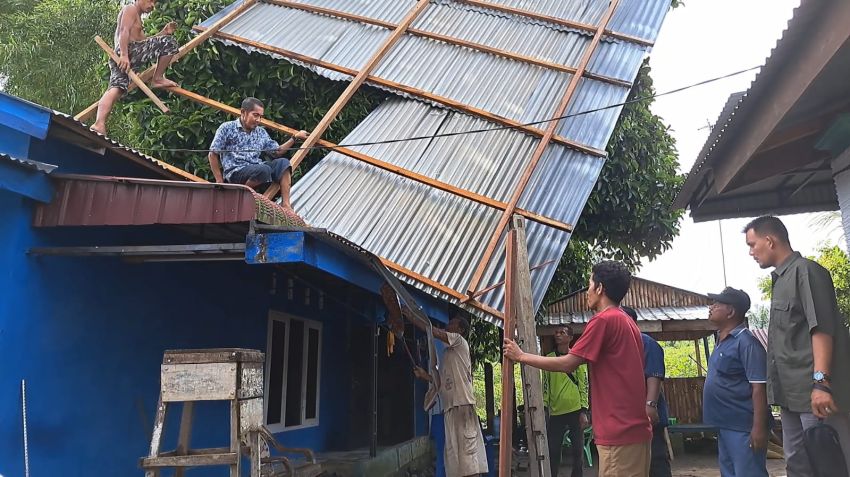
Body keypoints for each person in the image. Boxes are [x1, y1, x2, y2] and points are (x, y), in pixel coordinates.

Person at [505, 261, 652, 477]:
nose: (587, 291)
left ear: (600, 288)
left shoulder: (604, 320)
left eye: (590, 284)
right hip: (635, 431)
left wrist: (521, 356)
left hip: (619, 433)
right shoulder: (627, 321)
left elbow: (568, 363)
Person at [743, 216, 850, 475]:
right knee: (798, 464)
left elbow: (821, 329)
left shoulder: (806, 271)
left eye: (752, 244)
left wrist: (821, 383)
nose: (750, 252)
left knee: (829, 463)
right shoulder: (781, 279)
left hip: (814, 394)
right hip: (789, 396)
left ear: (770, 241)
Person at [409, 313, 488, 477]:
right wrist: (425, 376)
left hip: (463, 406)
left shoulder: (459, 342)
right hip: (450, 409)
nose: (448, 325)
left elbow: (434, 331)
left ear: (460, 330)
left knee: (469, 458)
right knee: (455, 461)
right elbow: (442, 383)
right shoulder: (447, 355)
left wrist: (410, 315)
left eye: (452, 323)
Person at [703, 287, 770, 477]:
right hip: (724, 424)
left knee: (748, 473)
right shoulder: (722, 341)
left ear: (731, 312)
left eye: (717, 303)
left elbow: (759, 388)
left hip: (743, 427)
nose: (711, 306)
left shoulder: (747, 343)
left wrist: (758, 428)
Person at [92, 0, 180, 135]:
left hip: (123, 56)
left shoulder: (137, 19)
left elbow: (145, 44)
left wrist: (163, 33)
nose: (152, 5)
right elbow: (124, 31)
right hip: (126, 53)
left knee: (115, 89)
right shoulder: (130, 9)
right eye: (151, 0)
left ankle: (99, 124)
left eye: (155, 3)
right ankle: (157, 78)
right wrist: (124, 55)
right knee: (170, 43)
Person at [208, 97, 308, 209]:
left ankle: (286, 204)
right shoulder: (227, 128)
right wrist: (219, 180)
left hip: (257, 170)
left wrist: (294, 138)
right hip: (236, 172)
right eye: (255, 115)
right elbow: (213, 154)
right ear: (243, 112)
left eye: (260, 116)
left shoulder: (261, 132)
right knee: (263, 170)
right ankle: (240, 196)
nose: (258, 120)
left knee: (283, 163)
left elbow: (277, 152)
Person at [621, 306, 672, 477]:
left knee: (656, 458)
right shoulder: (621, 346)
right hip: (629, 416)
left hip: (648, 412)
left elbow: (654, 375)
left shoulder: (647, 343)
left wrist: (650, 405)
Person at [542, 325, 589, 477]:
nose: (558, 335)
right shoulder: (549, 358)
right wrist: (544, 406)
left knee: (577, 450)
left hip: (575, 409)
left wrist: (584, 410)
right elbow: (545, 384)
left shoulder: (577, 358)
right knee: (553, 449)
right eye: (556, 332)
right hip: (556, 411)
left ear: (570, 337)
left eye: (562, 332)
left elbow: (584, 384)